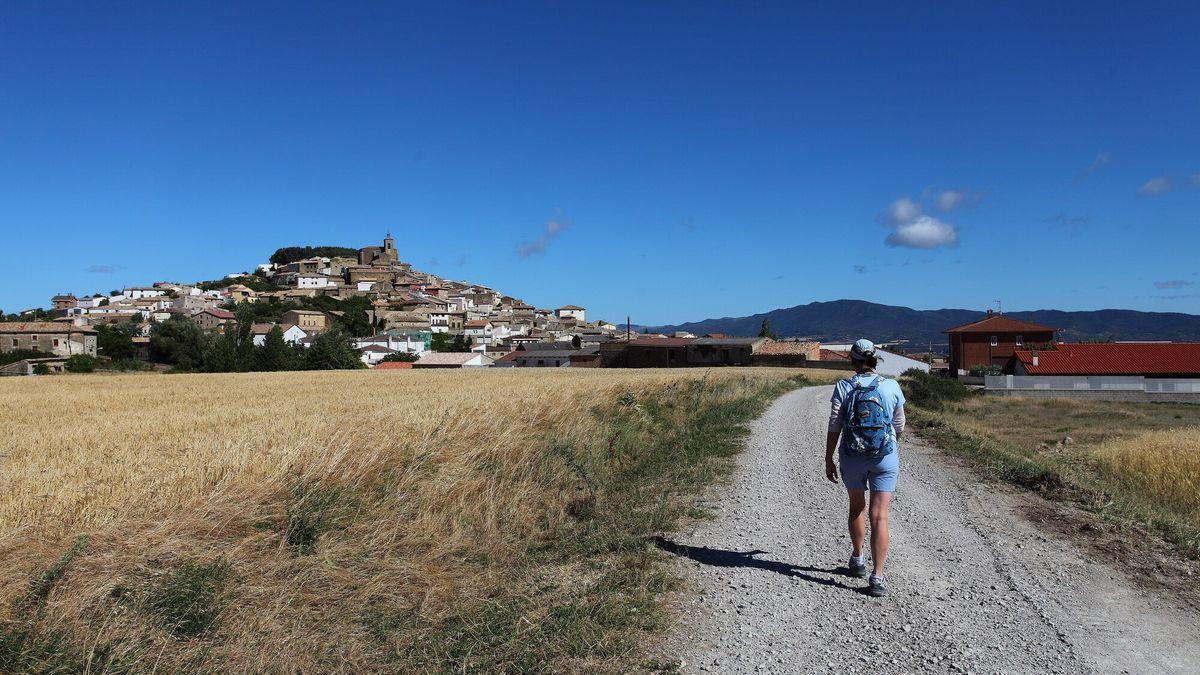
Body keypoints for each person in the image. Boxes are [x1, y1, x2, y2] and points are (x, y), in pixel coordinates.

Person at [824, 339, 906, 597]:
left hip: (852, 455)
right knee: (880, 516)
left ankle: (858, 560)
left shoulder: (844, 386)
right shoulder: (891, 385)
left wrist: (829, 458)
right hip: (885, 456)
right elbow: (900, 423)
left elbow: (835, 424)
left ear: (853, 361)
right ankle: (878, 576)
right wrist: (888, 443)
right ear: (874, 360)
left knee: (857, 507)